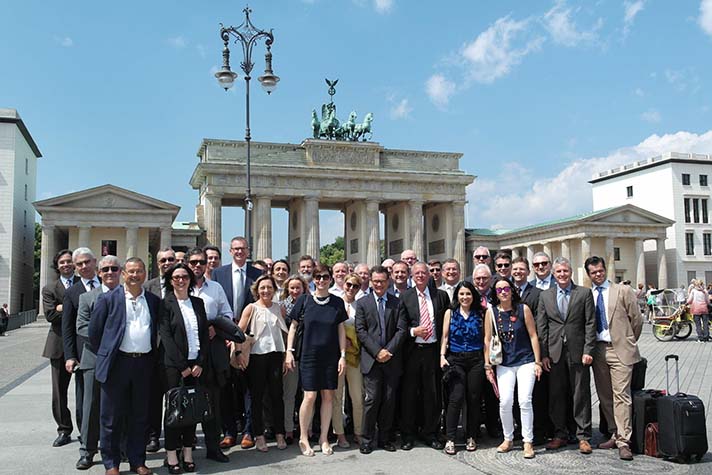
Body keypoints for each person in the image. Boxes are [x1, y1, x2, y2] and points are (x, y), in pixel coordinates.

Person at [89, 257, 159, 475]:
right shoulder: (108, 299)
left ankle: (137, 460)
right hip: (117, 364)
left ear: (145, 274)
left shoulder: (154, 301)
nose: (135, 275)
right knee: (111, 417)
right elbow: (95, 333)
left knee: (140, 416)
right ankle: (111, 463)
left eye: (139, 271)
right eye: (130, 271)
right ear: (123, 274)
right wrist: (108, 354)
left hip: (144, 364)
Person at [285, 263, 347, 457]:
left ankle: (324, 438)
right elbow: (293, 328)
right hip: (308, 356)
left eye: (325, 277)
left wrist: (343, 356)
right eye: (318, 277)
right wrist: (289, 351)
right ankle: (303, 436)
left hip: (330, 356)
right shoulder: (304, 300)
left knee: (328, 397)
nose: (321, 280)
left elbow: (341, 330)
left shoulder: (337, 302)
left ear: (330, 279)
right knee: (310, 396)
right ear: (313, 279)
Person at [585, 256, 643, 461]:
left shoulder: (622, 290)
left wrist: (628, 341)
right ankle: (613, 432)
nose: (598, 274)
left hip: (620, 349)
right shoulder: (588, 294)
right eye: (593, 272)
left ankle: (624, 441)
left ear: (605, 270)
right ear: (588, 275)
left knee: (621, 395)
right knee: (605, 396)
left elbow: (636, 320)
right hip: (598, 351)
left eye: (600, 270)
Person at [537, 257, 596, 454]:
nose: (562, 275)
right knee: (556, 395)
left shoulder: (584, 293)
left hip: (578, 352)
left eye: (565, 271)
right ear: (553, 274)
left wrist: (588, 351)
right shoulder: (546, 296)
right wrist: (543, 354)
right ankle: (560, 434)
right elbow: (542, 327)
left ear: (571, 272)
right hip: (554, 354)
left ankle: (583, 436)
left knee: (580, 394)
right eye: (559, 272)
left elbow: (590, 324)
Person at [211, 236, 262, 450]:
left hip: (249, 337)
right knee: (226, 388)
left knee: (248, 386)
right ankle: (229, 431)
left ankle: (248, 430)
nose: (239, 252)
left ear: (248, 251)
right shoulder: (218, 273)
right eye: (236, 249)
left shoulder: (258, 275)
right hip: (223, 337)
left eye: (243, 249)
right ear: (230, 251)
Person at [483, 276, 542, 459]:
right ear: (495, 293)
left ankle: (527, 441)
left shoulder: (523, 309)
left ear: (512, 290)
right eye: (499, 290)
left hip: (526, 360)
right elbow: (487, 339)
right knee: (506, 401)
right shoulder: (491, 312)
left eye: (506, 288)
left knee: (525, 400)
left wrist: (538, 362)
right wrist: (487, 365)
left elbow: (533, 335)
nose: (503, 292)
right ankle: (507, 438)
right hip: (504, 363)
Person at [159, 263, 210, 474]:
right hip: (174, 366)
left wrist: (199, 362)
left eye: (185, 277)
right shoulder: (165, 304)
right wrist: (182, 366)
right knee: (174, 411)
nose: (181, 280)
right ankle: (171, 454)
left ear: (190, 280)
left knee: (192, 410)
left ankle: (188, 452)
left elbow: (204, 335)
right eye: (177, 277)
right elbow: (166, 337)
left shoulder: (197, 303)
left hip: (195, 365)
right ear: (171, 281)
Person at [187, 247, 234, 463]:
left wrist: (215, 326)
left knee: (212, 401)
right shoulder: (179, 287)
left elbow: (228, 314)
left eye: (201, 262)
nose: (198, 266)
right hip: (187, 353)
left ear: (207, 265)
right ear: (188, 264)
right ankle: (185, 448)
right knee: (186, 401)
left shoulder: (215, 288)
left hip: (212, 351)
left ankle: (213, 447)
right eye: (194, 262)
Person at [74, 255, 121, 470]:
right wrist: (106, 342)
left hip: (122, 359)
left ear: (120, 271)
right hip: (93, 357)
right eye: (106, 269)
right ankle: (87, 451)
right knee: (91, 407)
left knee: (119, 407)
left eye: (114, 268)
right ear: (99, 273)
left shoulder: (127, 296)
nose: (110, 272)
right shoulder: (87, 297)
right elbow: (81, 326)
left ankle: (119, 447)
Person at [398, 262, 451, 451]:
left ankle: (430, 433)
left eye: (423, 273)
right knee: (409, 395)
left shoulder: (441, 296)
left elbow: (447, 324)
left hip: (433, 352)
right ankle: (408, 435)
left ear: (429, 275)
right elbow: (401, 326)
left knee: (432, 395)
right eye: (417, 273)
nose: (420, 276)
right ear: (412, 276)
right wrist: (414, 331)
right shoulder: (405, 297)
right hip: (412, 351)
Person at [355, 265, 405, 454]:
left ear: (388, 281)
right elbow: (361, 331)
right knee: (372, 399)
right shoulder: (363, 303)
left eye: (382, 281)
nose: (378, 284)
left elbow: (401, 330)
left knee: (389, 399)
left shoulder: (396, 302)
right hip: (372, 359)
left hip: (391, 359)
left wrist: (388, 351)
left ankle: (385, 438)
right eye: (375, 281)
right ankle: (367, 439)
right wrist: (377, 352)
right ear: (371, 281)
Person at [237, 275, 289, 452]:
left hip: (275, 356)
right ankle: (259, 436)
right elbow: (238, 333)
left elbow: (284, 333)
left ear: (274, 289)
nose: (266, 291)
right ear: (256, 290)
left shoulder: (279, 308)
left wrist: (285, 357)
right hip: (256, 357)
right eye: (262, 288)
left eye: (269, 287)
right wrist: (238, 353)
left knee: (277, 396)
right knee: (257, 398)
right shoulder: (251, 308)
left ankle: (279, 433)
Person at [439, 281, 487, 455]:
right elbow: (444, 337)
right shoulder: (450, 313)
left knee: (473, 399)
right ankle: (450, 437)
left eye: (468, 294)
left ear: (473, 296)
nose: (465, 297)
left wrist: (486, 362)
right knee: (456, 397)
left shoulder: (481, 313)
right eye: (461, 294)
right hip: (455, 359)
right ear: (457, 296)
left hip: (476, 359)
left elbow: (485, 340)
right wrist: (442, 356)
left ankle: (471, 435)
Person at [63, 247, 101, 441]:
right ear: (75, 267)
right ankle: (86, 437)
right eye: (79, 264)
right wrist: (70, 356)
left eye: (87, 262)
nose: (84, 266)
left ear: (95, 262)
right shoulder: (72, 292)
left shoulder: (108, 283)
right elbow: (67, 327)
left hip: (110, 353)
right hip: (83, 353)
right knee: (85, 400)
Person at [41, 249, 76, 447]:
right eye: (62, 262)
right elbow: (50, 316)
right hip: (58, 345)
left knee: (87, 393)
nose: (66, 265)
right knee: (59, 392)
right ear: (57, 265)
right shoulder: (49, 288)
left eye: (69, 261)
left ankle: (88, 429)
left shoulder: (83, 284)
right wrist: (72, 307)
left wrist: (63, 307)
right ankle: (64, 429)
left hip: (82, 346)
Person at [332, 273, 364, 448]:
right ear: (343, 284)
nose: (351, 288)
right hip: (336, 356)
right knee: (337, 397)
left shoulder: (361, 305)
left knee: (357, 397)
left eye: (355, 286)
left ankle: (358, 431)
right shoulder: (335, 303)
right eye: (348, 285)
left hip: (355, 356)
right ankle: (340, 433)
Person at [279, 274, 309, 444]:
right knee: (289, 394)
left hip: (307, 353)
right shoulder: (282, 306)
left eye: (298, 287)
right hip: (290, 354)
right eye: (292, 287)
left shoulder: (310, 302)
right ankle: (288, 429)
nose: (295, 291)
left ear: (304, 288)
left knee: (308, 394)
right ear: (287, 289)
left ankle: (307, 429)